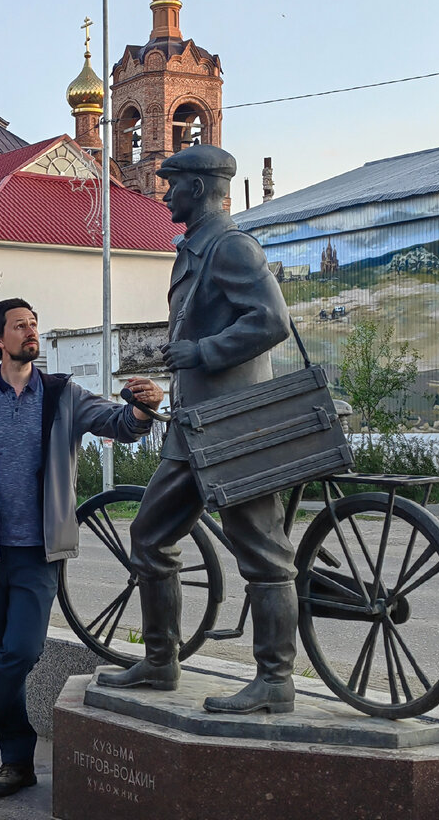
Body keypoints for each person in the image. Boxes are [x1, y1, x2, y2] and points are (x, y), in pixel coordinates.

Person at [97, 145, 299, 715]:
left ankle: (275, 679)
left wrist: (202, 351)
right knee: (149, 536)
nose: (165, 194)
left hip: (235, 427)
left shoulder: (231, 246)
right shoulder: (196, 248)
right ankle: (160, 661)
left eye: (173, 184)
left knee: (262, 553)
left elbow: (272, 321)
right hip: (193, 427)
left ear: (200, 187)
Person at [0, 298, 164, 796]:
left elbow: (119, 423)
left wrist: (143, 408)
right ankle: (17, 763)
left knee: (22, 650)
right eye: (20, 325)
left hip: (39, 551)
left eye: (34, 324)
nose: (31, 331)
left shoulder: (63, 395)